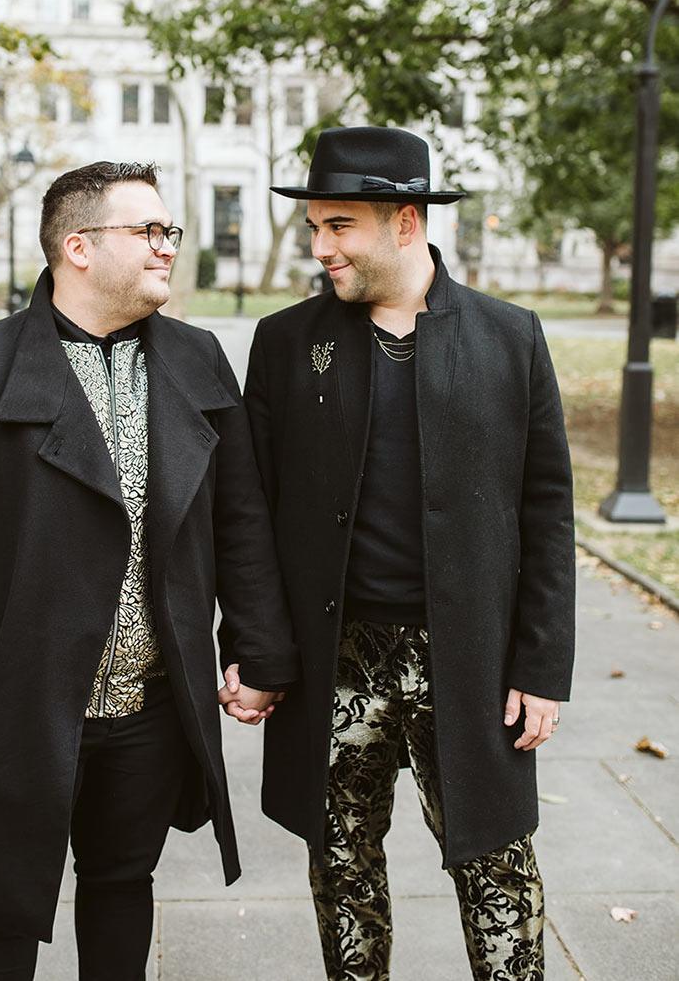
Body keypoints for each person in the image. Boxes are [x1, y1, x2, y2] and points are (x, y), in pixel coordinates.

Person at [0, 160, 296, 981]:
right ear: (77, 246)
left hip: (150, 702)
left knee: (120, 886)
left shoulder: (197, 358)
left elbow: (241, 519)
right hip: (20, 702)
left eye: (167, 231)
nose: (165, 248)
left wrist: (257, 645)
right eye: (146, 231)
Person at [229, 126, 575, 981]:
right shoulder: (284, 341)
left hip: (470, 661)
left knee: (497, 870)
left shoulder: (509, 338)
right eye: (314, 228)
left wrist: (543, 663)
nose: (321, 248)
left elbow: (548, 510)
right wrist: (261, 647)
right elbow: (249, 511)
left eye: (339, 226)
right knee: (343, 870)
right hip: (334, 657)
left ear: (407, 222)